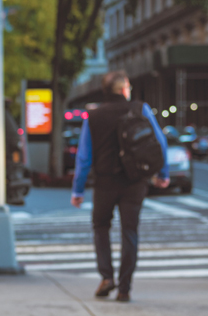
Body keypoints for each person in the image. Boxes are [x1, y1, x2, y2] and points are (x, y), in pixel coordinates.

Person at [70, 70, 169, 302]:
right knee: (130, 231)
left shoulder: (93, 116)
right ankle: (125, 287)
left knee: (101, 226)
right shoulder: (140, 108)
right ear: (125, 89)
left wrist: (78, 189)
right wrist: (162, 173)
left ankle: (107, 276)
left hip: (105, 182)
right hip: (135, 181)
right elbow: (160, 142)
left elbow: (84, 156)